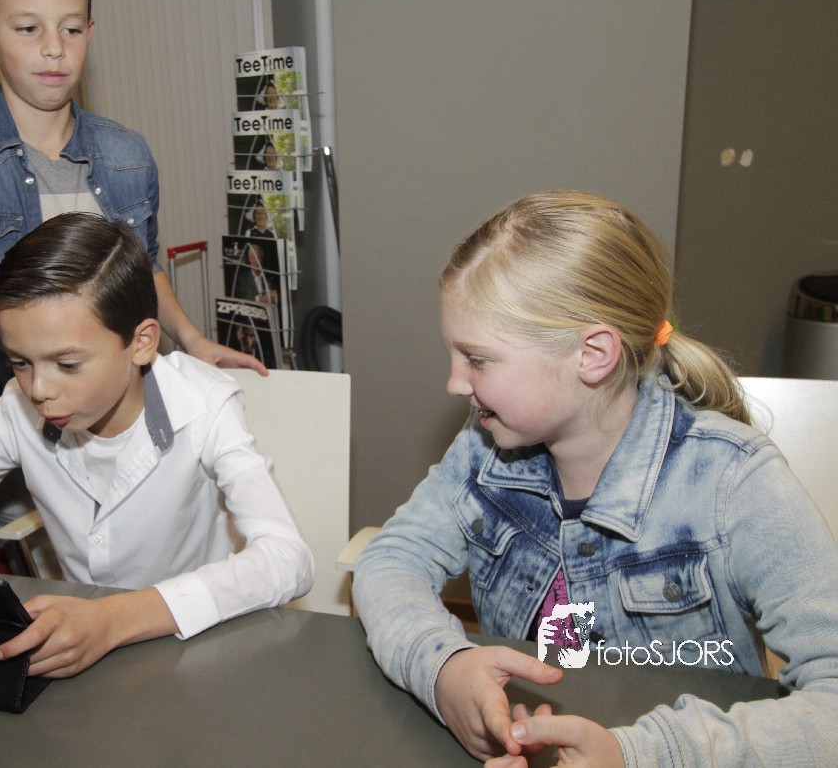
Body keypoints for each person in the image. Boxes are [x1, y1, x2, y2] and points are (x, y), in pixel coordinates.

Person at [353, 191, 838, 767]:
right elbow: (392, 560)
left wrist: (641, 754)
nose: (455, 383)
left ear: (592, 354)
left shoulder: (736, 481)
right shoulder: (483, 448)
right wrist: (443, 668)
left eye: (477, 359)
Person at [0, 212, 313, 678]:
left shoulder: (206, 405)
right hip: (86, 655)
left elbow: (286, 560)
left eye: (67, 365)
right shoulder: (16, 410)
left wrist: (112, 619)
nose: (39, 389)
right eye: (20, 362)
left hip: (201, 653)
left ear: (142, 343)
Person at [0, 0, 264, 442]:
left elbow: (143, 269)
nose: (54, 48)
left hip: (128, 424)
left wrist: (192, 339)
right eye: (28, 29)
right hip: (20, 433)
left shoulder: (128, 154)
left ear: (90, 31)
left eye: (70, 29)